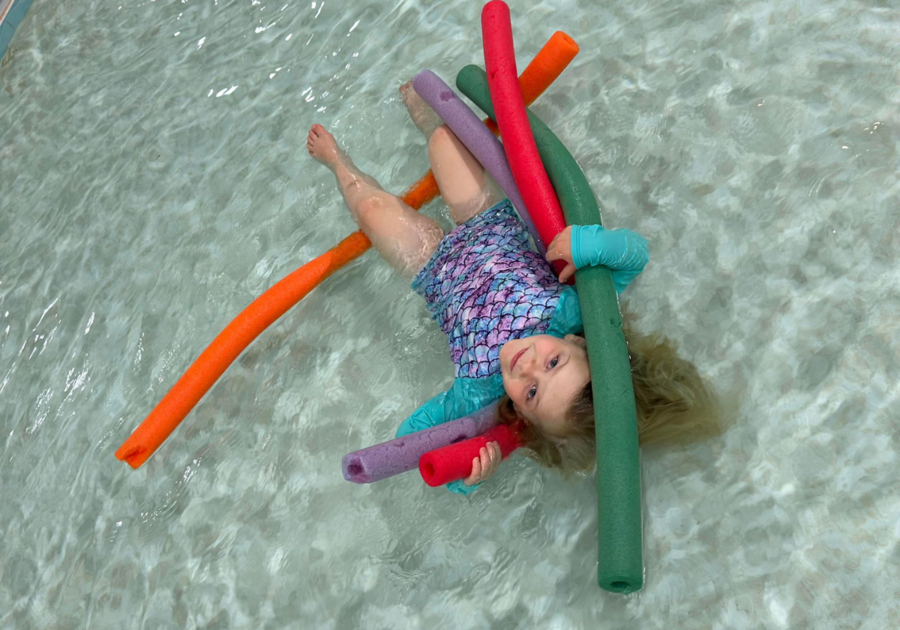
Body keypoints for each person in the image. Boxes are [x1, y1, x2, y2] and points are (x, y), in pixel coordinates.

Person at [307, 83, 718, 494]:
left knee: (373, 209)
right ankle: (426, 114)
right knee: (444, 142)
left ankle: (337, 163)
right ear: (577, 343)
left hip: (431, 268)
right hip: (486, 221)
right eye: (554, 362)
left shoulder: (477, 396)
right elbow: (635, 254)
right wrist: (588, 245)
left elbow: (411, 437)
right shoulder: (573, 312)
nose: (528, 367)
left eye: (533, 392)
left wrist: (464, 472)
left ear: (522, 415)